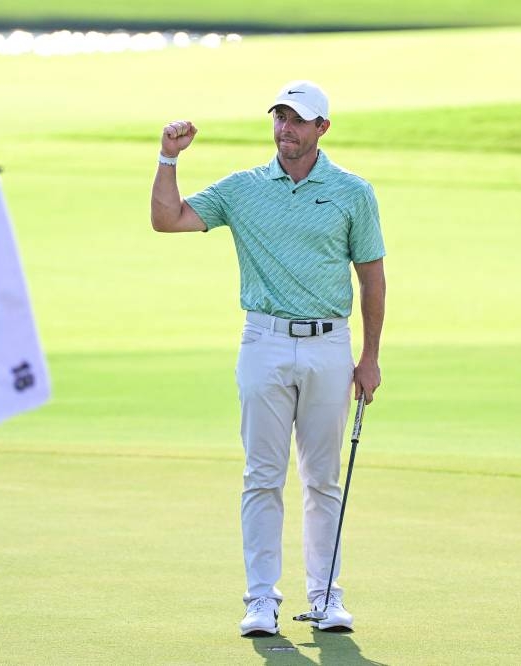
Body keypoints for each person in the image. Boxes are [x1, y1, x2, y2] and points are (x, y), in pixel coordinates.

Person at [150, 80, 386, 637]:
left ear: (322, 128)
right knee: (262, 475)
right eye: (280, 117)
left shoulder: (353, 192)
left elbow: (371, 276)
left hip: (331, 344)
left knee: (323, 479)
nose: (286, 129)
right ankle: (261, 599)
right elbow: (168, 219)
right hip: (264, 342)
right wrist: (167, 158)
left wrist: (369, 357)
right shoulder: (245, 188)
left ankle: (327, 597)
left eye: (298, 120)